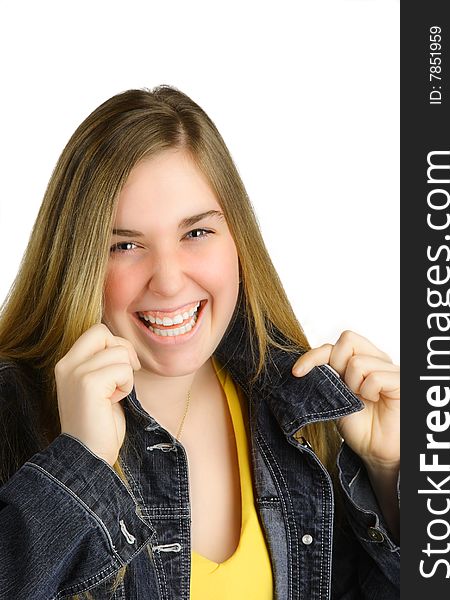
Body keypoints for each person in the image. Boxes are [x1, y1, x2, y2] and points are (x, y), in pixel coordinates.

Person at [0, 85, 400, 600]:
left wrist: (391, 482)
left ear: (238, 240)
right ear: (78, 262)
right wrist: (79, 466)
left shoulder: (291, 406)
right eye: (125, 245)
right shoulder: (13, 410)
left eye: (196, 234)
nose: (168, 280)